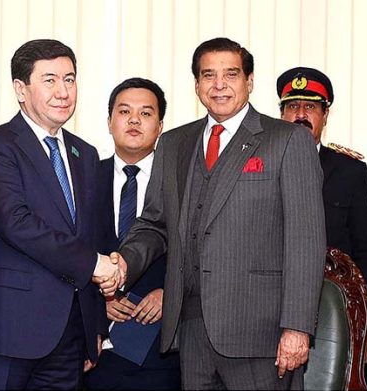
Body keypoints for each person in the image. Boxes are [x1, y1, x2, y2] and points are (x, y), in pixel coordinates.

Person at [110, 38, 326, 390]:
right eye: (208, 75)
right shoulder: (175, 143)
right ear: (197, 85)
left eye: (230, 74)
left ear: (249, 81)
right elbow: (154, 224)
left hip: (261, 337)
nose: (219, 84)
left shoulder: (286, 140)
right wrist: (123, 263)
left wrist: (297, 328)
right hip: (192, 333)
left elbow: (306, 241)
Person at [0, 39, 123, 390]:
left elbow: (89, 236)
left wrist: (93, 325)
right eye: (49, 80)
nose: (62, 91)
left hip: (69, 335)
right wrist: (95, 264)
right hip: (5, 329)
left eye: (70, 79)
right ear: (21, 89)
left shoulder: (85, 154)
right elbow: (17, 224)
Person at [276, 66, 367, 365]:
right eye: (292, 106)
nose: (300, 115)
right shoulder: (261, 164)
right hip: (270, 309)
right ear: (281, 114)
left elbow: (365, 250)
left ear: (325, 115)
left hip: (333, 313)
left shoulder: (350, 170)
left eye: (310, 107)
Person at [85, 78, 181, 390]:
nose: (134, 120)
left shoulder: (184, 184)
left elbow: (205, 252)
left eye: (146, 113)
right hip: (94, 345)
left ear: (161, 125)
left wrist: (173, 296)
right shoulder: (82, 180)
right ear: (110, 121)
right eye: (124, 111)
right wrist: (99, 301)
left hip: (162, 345)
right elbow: (62, 251)